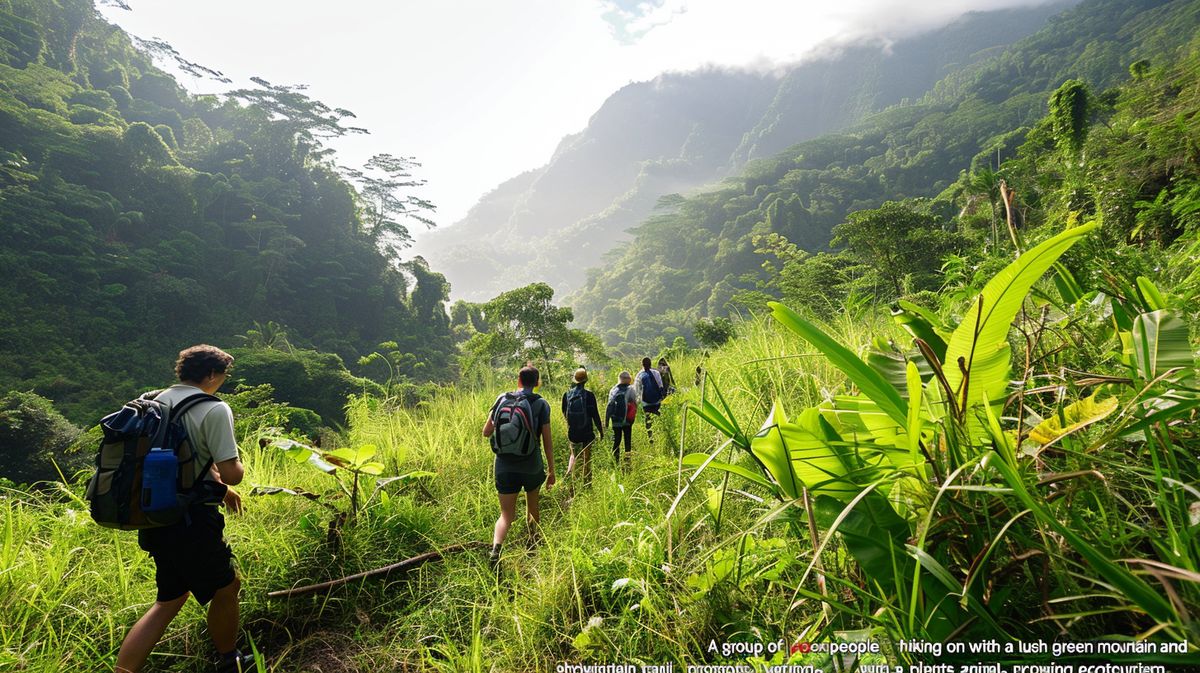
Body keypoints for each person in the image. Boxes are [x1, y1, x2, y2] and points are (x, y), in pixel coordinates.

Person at [116, 345, 253, 673]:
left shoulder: (153, 401)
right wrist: (236, 475)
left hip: (153, 514)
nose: (222, 381)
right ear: (210, 375)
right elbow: (231, 469)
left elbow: (178, 464)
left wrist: (222, 490)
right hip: (192, 520)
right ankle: (229, 660)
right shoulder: (213, 408)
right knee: (227, 586)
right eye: (222, 375)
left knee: (170, 599)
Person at [483, 364, 554, 564]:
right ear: (537, 382)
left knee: (506, 515)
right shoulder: (541, 404)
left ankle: (496, 549)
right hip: (531, 464)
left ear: (519, 380)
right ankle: (532, 548)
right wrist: (551, 470)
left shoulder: (501, 399)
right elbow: (547, 442)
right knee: (533, 508)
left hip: (504, 466)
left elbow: (486, 432)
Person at [561, 367, 602, 494]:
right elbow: (595, 415)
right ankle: (587, 484)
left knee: (573, 455)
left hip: (572, 431)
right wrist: (601, 431)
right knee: (586, 457)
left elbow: (564, 411)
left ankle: (571, 483)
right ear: (586, 380)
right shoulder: (589, 395)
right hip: (587, 431)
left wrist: (570, 424)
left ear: (575, 380)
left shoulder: (567, 394)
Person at [605, 371, 638, 471]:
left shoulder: (613, 390)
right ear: (628, 379)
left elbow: (609, 406)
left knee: (616, 441)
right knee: (627, 441)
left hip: (616, 421)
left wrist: (606, 421)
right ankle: (627, 464)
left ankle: (615, 463)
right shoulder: (631, 389)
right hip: (627, 420)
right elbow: (635, 404)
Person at [634, 357, 666, 446]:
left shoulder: (639, 375)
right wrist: (662, 396)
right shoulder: (656, 372)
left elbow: (637, 389)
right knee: (657, 416)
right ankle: (661, 435)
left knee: (648, 419)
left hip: (646, 402)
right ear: (650, 364)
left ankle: (651, 438)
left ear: (642, 364)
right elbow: (660, 385)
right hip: (656, 400)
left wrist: (637, 401)